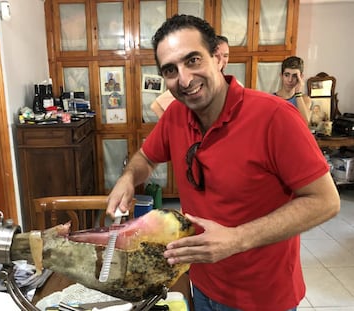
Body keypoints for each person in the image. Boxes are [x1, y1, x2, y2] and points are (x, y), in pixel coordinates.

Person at [107, 14, 340, 311]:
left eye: (193, 60)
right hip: (201, 283)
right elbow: (146, 157)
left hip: (262, 298)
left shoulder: (275, 117)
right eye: (170, 70)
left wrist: (236, 239)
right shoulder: (176, 116)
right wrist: (127, 178)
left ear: (218, 57)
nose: (185, 79)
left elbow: (326, 201)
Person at [150, 35, 230, 119]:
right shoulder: (179, 102)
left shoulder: (239, 95)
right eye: (170, 70)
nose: (222, 59)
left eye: (225, 55)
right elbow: (156, 106)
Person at [274, 56, 311, 123]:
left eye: (294, 76)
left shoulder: (305, 99)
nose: (290, 80)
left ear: (301, 77)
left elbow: (305, 122)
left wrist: (298, 93)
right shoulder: (272, 99)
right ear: (281, 76)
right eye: (287, 75)